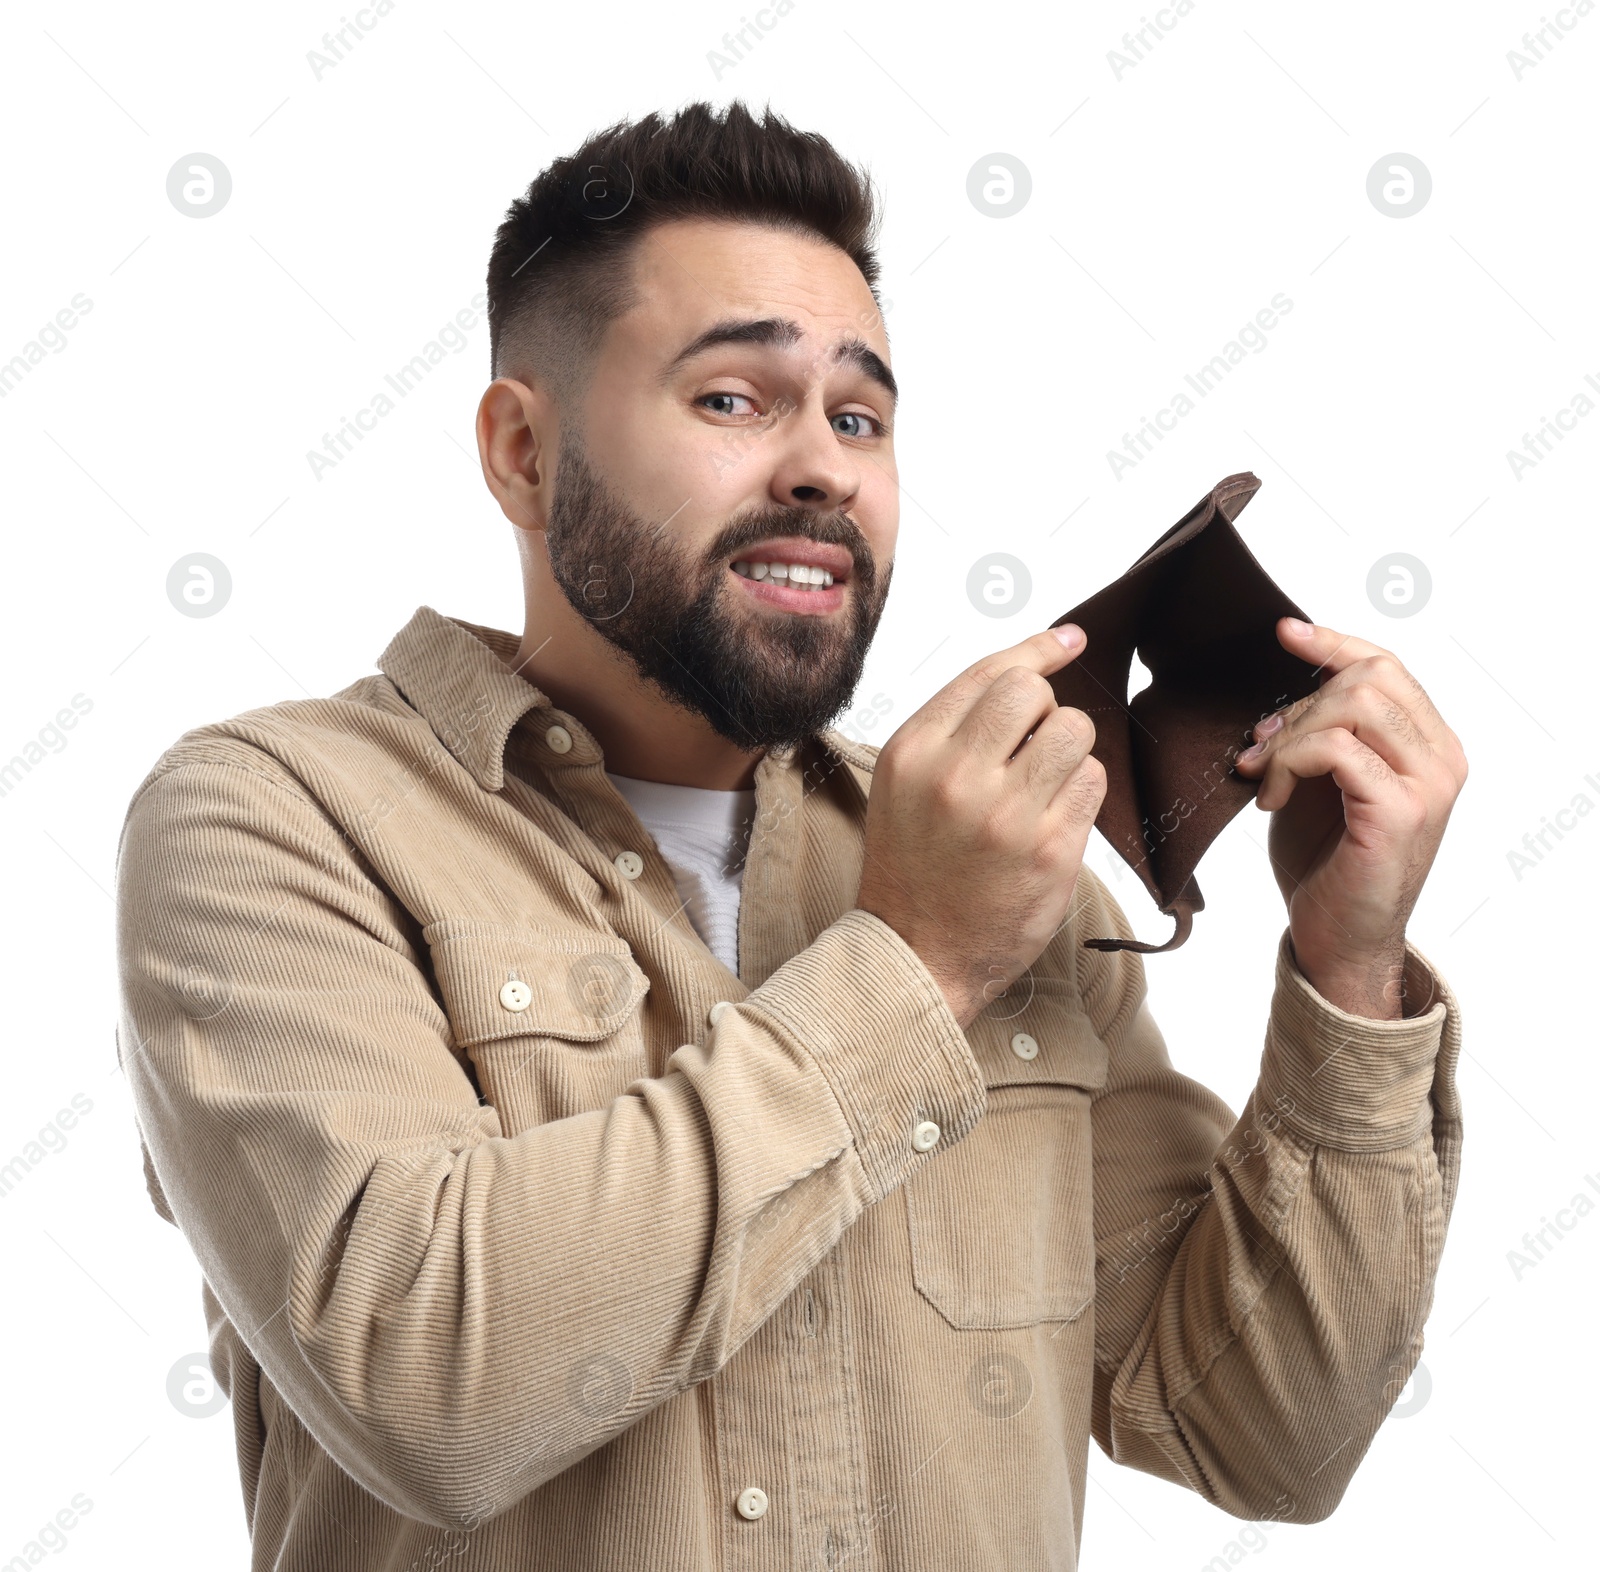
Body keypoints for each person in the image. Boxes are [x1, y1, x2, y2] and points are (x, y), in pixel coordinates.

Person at [114, 100, 1468, 1571]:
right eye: (734, 400)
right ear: (520, 453)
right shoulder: (268, 821)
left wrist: (1352, 967)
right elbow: (428, 1385)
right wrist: (913, 967)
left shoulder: (1025, 888)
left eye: (861, 417)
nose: (823, 468)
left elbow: (1260, 1439)